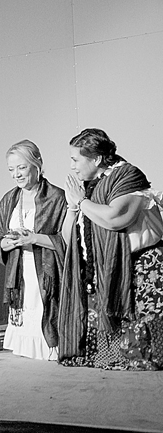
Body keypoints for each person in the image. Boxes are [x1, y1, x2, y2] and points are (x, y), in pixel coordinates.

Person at [60, 128, 163, 370]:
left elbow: (115, 218)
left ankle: (140, 356)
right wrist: (74, 206)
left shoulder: (127, 177)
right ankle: (109, 354)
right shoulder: (89, 187)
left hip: (137, 266)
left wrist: (82, 201)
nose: (72, 166)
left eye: (76, 159)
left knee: (140, 325)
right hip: (104, 267)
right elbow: (69, 237)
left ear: (96, 159)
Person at [0, 140, 67, 360]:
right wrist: (5, 244)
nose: (16, 174)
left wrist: (34, 238)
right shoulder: (9, 199)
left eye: (21, 167)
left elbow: (67, 241)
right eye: (11, 169)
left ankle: (50, 348)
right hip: (19, 269)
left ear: (37, 164)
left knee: (44, 308)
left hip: (46, 270)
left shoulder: (56, 197)